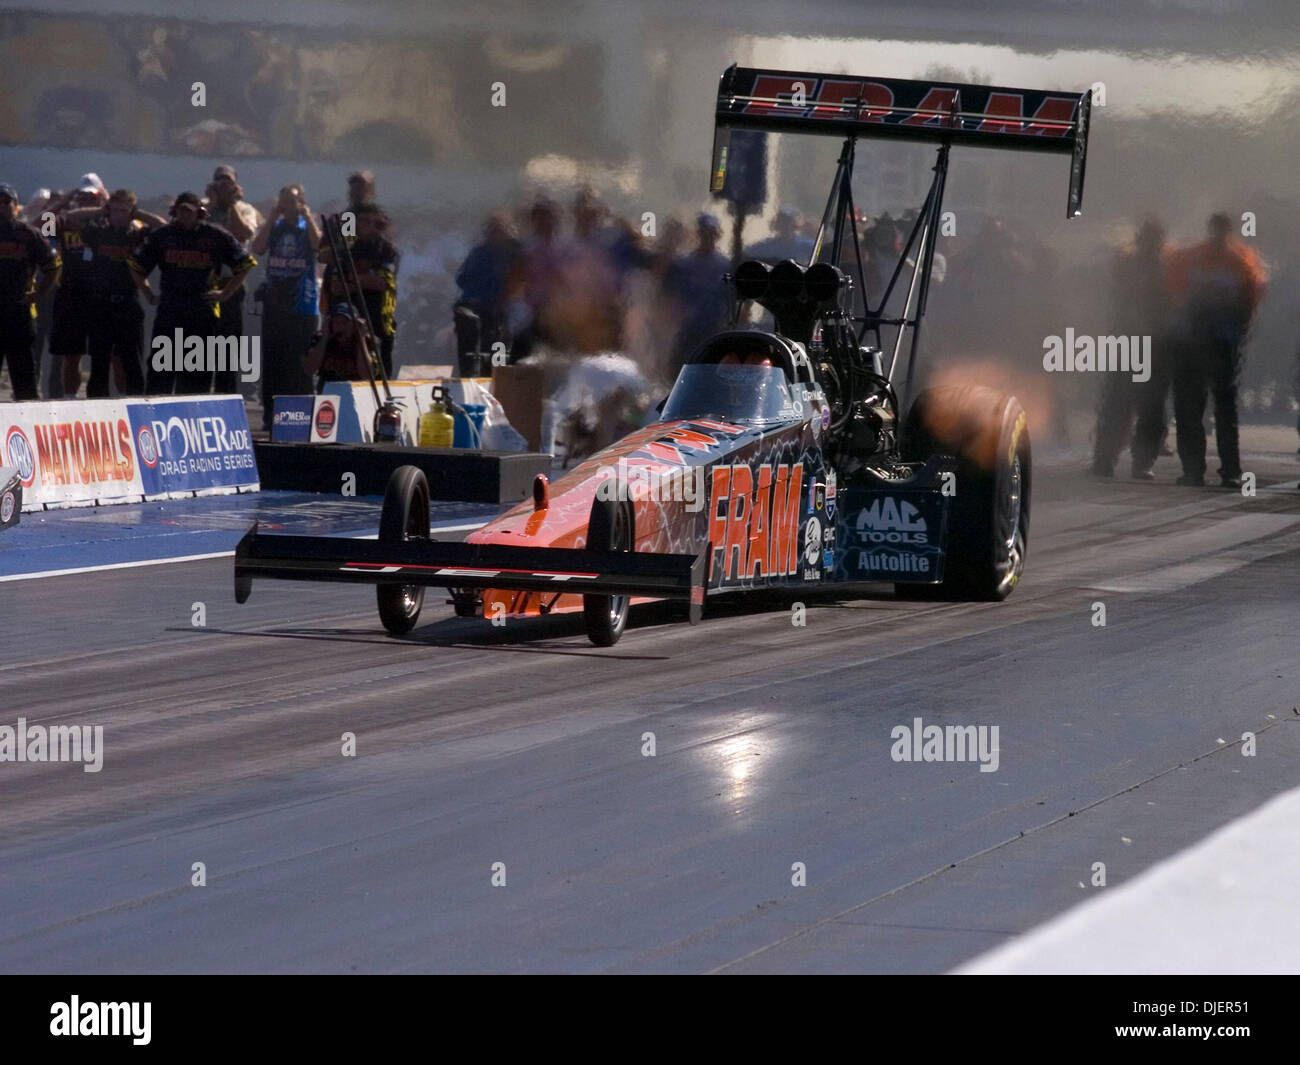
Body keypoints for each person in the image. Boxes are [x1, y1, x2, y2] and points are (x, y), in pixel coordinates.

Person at [1167, 213, 1267, 487]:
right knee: (1206, 409)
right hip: (1207, 342)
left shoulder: (1236, 260)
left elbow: (1251, 300)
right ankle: (1214, 471)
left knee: (1207, 409)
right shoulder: (1238, 259)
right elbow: (1252, 300)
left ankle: (1208, 471)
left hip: (1212, 343)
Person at [129, 191, 256, 395]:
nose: (184, 215)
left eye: (189, 211)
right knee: (161, 370)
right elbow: (136, 267)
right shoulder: (162, 236)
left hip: (202, 312)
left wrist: (225, 293)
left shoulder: (216, 235)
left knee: (197, 373)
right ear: (174, 212)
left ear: (200, 212)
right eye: (181, 211)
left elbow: (245, 263)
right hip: (170, 311)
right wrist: (149, 294)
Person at [60, 189, 167, 397]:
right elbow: (69, 217)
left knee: (130, 361)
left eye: (123, 211)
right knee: (99, 362)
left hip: (128, 303)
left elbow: (164, 226)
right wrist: (102, 210)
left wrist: (138, 214)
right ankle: (97, 407)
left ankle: (133, 405)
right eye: (115, 210)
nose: (119, 215)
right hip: (100, 305)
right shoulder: (97, 232)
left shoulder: (137, 234)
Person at [1092, 219, 1173, 480]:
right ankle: (1106, 460)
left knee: (1146, 407)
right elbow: (1115, 300)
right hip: (1129, 343)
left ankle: (1135, 461)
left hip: (1153, 345)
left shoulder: (1169, 268)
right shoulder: (1127, 265)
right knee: (1120, 404)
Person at [251, 183, 320, 429]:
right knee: (273, 362)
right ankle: (271, 416)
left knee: (299, 364)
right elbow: (258, 248)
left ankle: (299, 418)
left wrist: (307, 217)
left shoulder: (307, 226)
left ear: (301, 202)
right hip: (275, 305)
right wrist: (271, 217)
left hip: (302, 304)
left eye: (292, 201)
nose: (287, 207)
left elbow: (318, 247)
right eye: (284, 202)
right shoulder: (275, 228)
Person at [45, 174, 108, 397]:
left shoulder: (106, 221)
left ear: (101, 197)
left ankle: (102, 399)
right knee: (71, 353)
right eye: (81, 197)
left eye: (91, 197)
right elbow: (43, 226)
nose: (86, 201)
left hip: (101, 295)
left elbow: (132, 221)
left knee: (103, 353)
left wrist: (107, 204)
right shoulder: (64, 221)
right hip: (71, 293)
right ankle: (70, 398)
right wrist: (62, 201)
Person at [319, 203, 399, 377]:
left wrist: (354, 281)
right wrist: (361, 281)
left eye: (374, 222)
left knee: (378, 375)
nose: (369, 227)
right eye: (364, 222)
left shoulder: (386, 249)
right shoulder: (344, 248)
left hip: (377, 322)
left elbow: (382, 283)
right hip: (344, 322)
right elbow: (336, 286)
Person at [204, 165, 263, 393]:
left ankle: (225, 393)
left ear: (236, 185)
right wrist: (210, 202)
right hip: (205, 280)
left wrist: (231, 205)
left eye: (228, 182)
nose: (223, 186)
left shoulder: (244, 209)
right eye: (219, 181)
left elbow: (244, 234)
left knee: (228, 346)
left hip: (232, 282)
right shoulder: (203, 206)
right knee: (202, 344)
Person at [0, 183, 61, 400]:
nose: (1, 207)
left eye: (6, 202)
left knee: (24, 379)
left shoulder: (29, 235)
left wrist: (38, 293)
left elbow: (53, 265)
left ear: (16, 207)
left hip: (19, 312)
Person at [453, 212, 519, 376]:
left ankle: (499, 375)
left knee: (499, 343)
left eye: (500, 230)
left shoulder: (513, 253)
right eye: (493, 230)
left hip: (502, 309)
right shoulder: (479, 253)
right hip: (477, 307)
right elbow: (462, 278)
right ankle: (469, 375)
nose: (496, 234)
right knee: (470, 335)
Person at [665, 212, 731, 367]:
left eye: (711, 233)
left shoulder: (726, 266)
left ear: (717, 235)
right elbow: (669, 294)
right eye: (704, 233)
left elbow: (733, 299)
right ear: (698, 234)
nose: (707, 237)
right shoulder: (682, 264)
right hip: (688, 328)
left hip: (715, 329)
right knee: (680, 367)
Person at [304, 302, 373, 391]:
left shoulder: (368, 342)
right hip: (328, 396)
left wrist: (361, 340)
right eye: (336, 322)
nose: (340, 327)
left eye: (345, 323)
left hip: (356, 393)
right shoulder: (321, 340)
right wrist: (324, 338)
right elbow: (309, 369)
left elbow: (367, 375)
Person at [746, 205, 815, 264]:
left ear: (795, 224)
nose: (785, 225)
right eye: (781, 221)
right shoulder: (763, 247)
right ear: (776, 224)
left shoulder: (808, 246)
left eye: (788, 221)